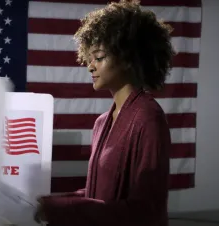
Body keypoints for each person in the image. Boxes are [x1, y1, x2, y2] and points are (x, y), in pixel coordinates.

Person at [34, 0, 175, 225]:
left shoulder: (148, 118)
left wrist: (58, 209)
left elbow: (146, 210)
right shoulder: (101, 123)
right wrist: (46, 204)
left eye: (98, 58)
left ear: (128, 58)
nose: (90, 66)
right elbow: (97, 196)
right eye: (89, 58)